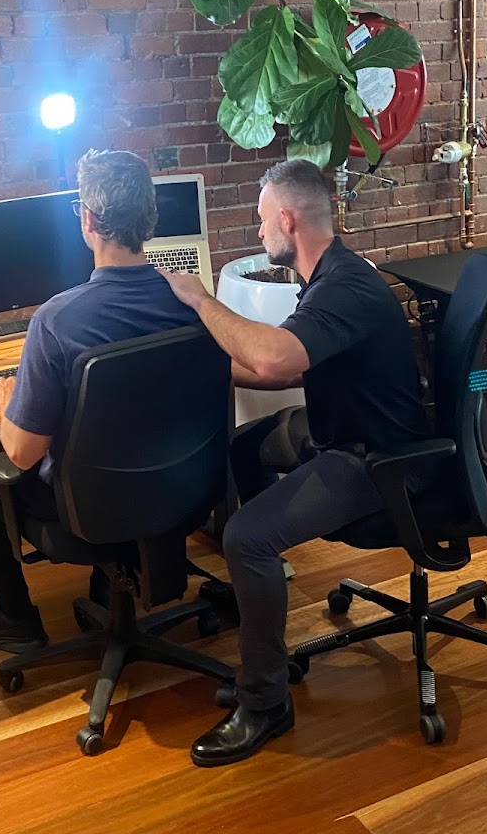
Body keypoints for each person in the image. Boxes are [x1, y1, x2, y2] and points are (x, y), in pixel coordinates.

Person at [159, 158, 429, 767]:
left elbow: (276, 361)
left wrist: (202, 300)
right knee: (240, 449)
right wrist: (177, 369)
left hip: (377, 457)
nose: (258, 234)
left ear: (286, 218)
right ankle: (262, 591)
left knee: (245, 538)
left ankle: (265, 703)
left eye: (261, 222)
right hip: (337, 430)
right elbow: (265, 361)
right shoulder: (329, 275)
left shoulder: (348, 287)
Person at [0, 149, 197, 652]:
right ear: (152, 215)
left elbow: (21, 453)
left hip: (86, 514)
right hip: (180, 494)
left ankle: (14, 613)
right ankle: (110, 584)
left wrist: (6, 404)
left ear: (89, 219)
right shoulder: (191, 299)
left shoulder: (57, 321)